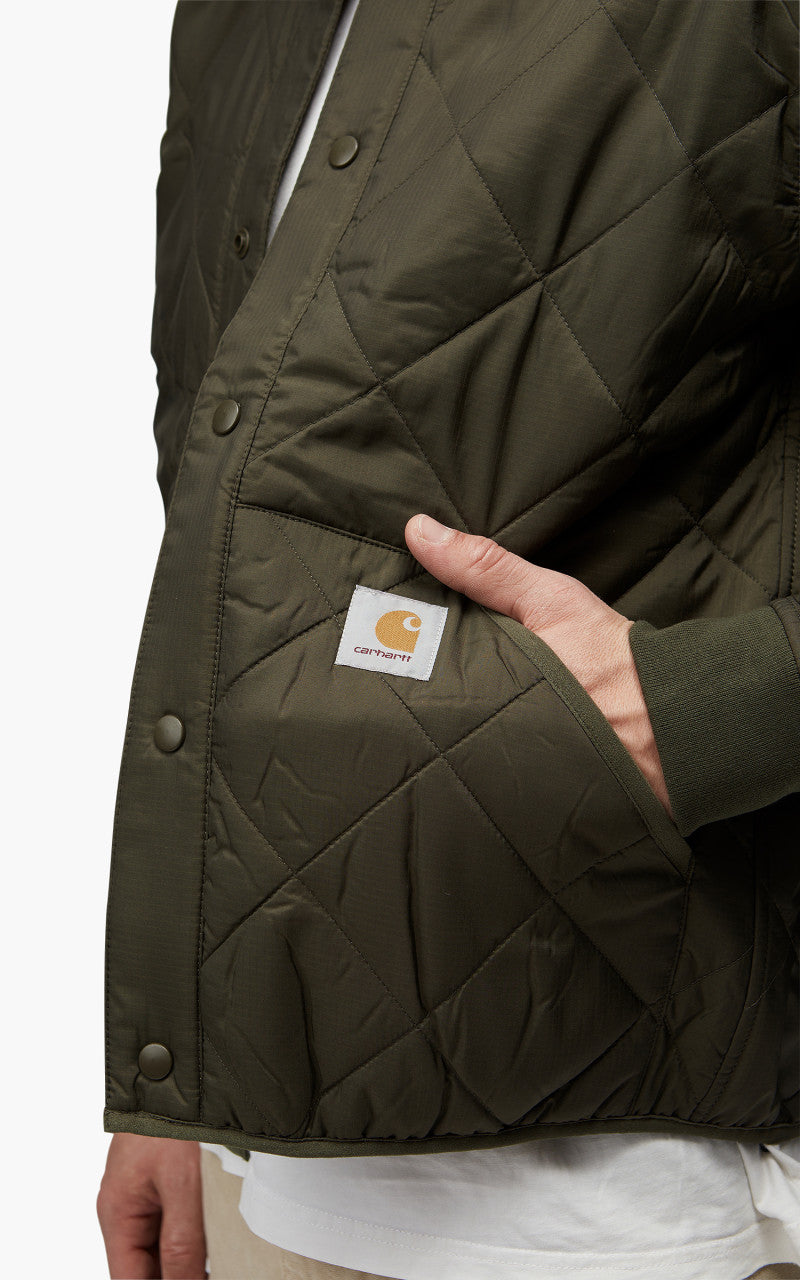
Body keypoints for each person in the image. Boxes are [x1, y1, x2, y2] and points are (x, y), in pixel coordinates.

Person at [97, 1, 800, 1277]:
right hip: (270, 1125)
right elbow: (229, 514)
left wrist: (703, 705)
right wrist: (176, 1070)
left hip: (624, 1163)